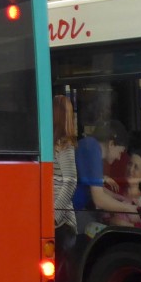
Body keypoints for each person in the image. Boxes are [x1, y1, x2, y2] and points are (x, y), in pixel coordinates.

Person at [74, 118, 139, 236]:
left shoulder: (90, 145)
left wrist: (118, 198)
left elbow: (96, 187)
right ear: (111, 144)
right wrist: (127, 209)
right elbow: (99, 199)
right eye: (120, 152)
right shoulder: (93, 150)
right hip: (72, 214)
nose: (119, 158)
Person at [52, 95, 78, 250]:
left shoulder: (64, 145)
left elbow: (70, 181)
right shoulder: (53, 143)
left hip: (62, 224)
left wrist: (54, 216)